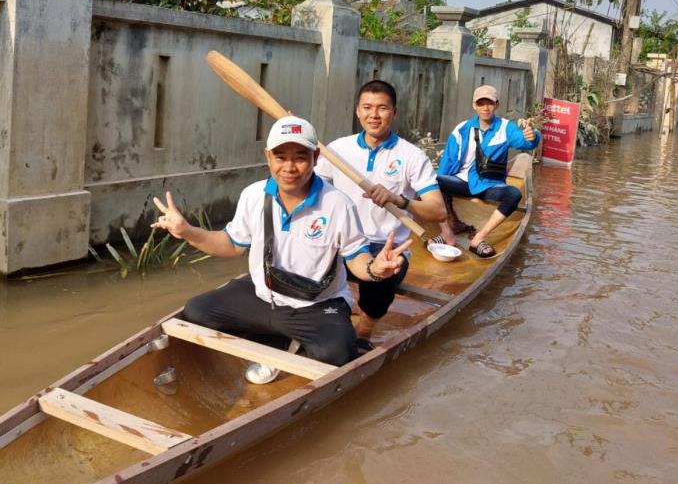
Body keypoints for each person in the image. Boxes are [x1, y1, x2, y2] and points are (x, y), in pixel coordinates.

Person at [152, 115, 409, 384]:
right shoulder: (254, 195)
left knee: (337, 353)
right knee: (196, 311)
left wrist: (376, 268)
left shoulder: (337, 204)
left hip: (316, 305)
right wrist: (186, 232)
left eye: (300, 157)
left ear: (315, 157)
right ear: (268, 157)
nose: (289, 167)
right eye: (280, 156)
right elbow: (230, 245)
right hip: (265, 297)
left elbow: (357, 259)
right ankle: (277, 339)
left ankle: (282, 342)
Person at [316, 80, 447, 349]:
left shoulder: (411, 156)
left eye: (382, 108)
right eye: (367, 107)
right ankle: (323, 316)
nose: (373, 115)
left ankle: (365, 330)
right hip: (343, 242)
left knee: (383, 271)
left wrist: (399, 199)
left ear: (394, 113)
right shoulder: (337, 149)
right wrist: (300, 140)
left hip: (387, 246)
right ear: (357, 111)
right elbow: (310, 188)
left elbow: (437, 210)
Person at [432, 85, 539, 258]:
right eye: (481, 103)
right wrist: (437, 183)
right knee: (432, 181)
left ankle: (479, 237)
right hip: (462, 181)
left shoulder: (505, 127)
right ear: (474, 105)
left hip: (490, 184)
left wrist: (533, 137)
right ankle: (450, 228)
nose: (485, 108)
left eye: (489, 103)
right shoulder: (462, 129)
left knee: (513, 194)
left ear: (496, 104)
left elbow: (524, 143)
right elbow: (448, 161)